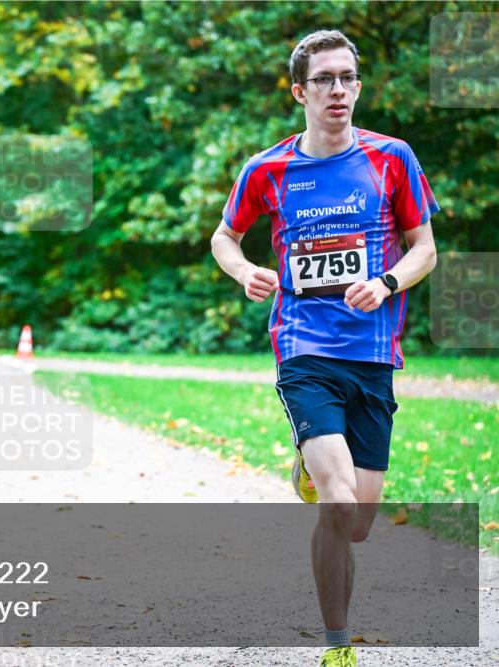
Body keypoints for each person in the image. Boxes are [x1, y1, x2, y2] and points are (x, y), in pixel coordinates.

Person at [210, 30, 438, 667]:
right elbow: (224, 237)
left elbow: (425, 249)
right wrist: (242, 270)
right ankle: (338, 646)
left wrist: (387, 280)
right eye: (324, 80)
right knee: (339, 500)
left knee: (358, 521)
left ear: (358, 86)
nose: (338, 89)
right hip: (303, 349)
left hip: (373, 356)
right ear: (299, 92)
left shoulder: (393, 158)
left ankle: (309, 465)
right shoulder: (268, 168)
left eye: (347, 77)